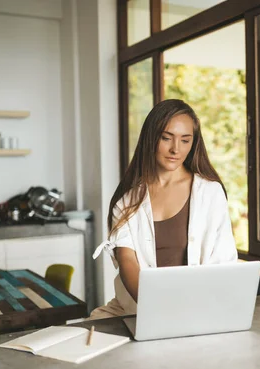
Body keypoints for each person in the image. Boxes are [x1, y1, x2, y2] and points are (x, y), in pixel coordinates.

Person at [89, 99, 238, 319]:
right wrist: (158, 310)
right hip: (136, 308)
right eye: (166, 138)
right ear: (151, 138)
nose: (175, 149)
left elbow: (223, 262)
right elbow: (127, 261)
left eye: (185, 140)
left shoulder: (210, 193)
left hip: (196, 308)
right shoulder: (127, 201)